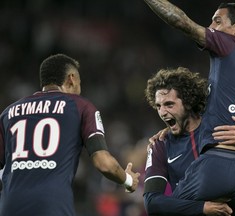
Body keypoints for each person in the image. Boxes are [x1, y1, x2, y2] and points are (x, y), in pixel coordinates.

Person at [143, 1, 235, 215]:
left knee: (169, 209)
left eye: (217, 21)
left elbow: (181, 21)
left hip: (218, 163)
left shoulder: (228, 45)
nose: (211, 26)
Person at [0, 54, 140, 216]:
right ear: (71, 79)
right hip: (52, 205)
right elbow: (104, 163)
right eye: (79, 82)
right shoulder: (80, 106)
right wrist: (128, 180)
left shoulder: (9, 112)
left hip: (9, 206)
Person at [143, 67, 235, 216]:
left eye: (169, 104)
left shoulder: (220, 129)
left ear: (187, 101)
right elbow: (152, 203)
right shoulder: (161, 145)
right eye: (158, 106)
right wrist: (202, 208)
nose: (162, 112)